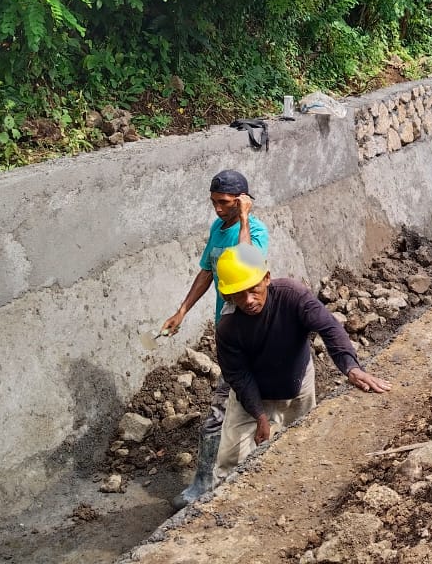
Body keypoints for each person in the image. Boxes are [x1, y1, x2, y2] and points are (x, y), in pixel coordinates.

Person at [213, 242, 391, 485]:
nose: (248, 300)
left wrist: (351, 367)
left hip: (297, 381)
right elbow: (239, 376)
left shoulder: (291, 295)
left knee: (301, 445)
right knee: (231, 459)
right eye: (239, 294)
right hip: (254, 393)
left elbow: (328, 327)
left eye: (253, 289)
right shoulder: (228, 327)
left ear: (266, 278)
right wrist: (260, 415)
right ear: (227, 294)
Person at [161, 168, 269, 508]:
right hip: (229, 327)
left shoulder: (255, 231)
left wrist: (246, 218)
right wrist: (182, 310)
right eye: (214, 203)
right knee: (241, 403)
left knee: (223, 409)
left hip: (251, 326)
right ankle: (226, 473)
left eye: (224, 203)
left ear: (241, 200)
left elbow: (246, 261)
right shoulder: (217, 228)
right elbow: (208, 270)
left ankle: (205, 483)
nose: (218, 209)